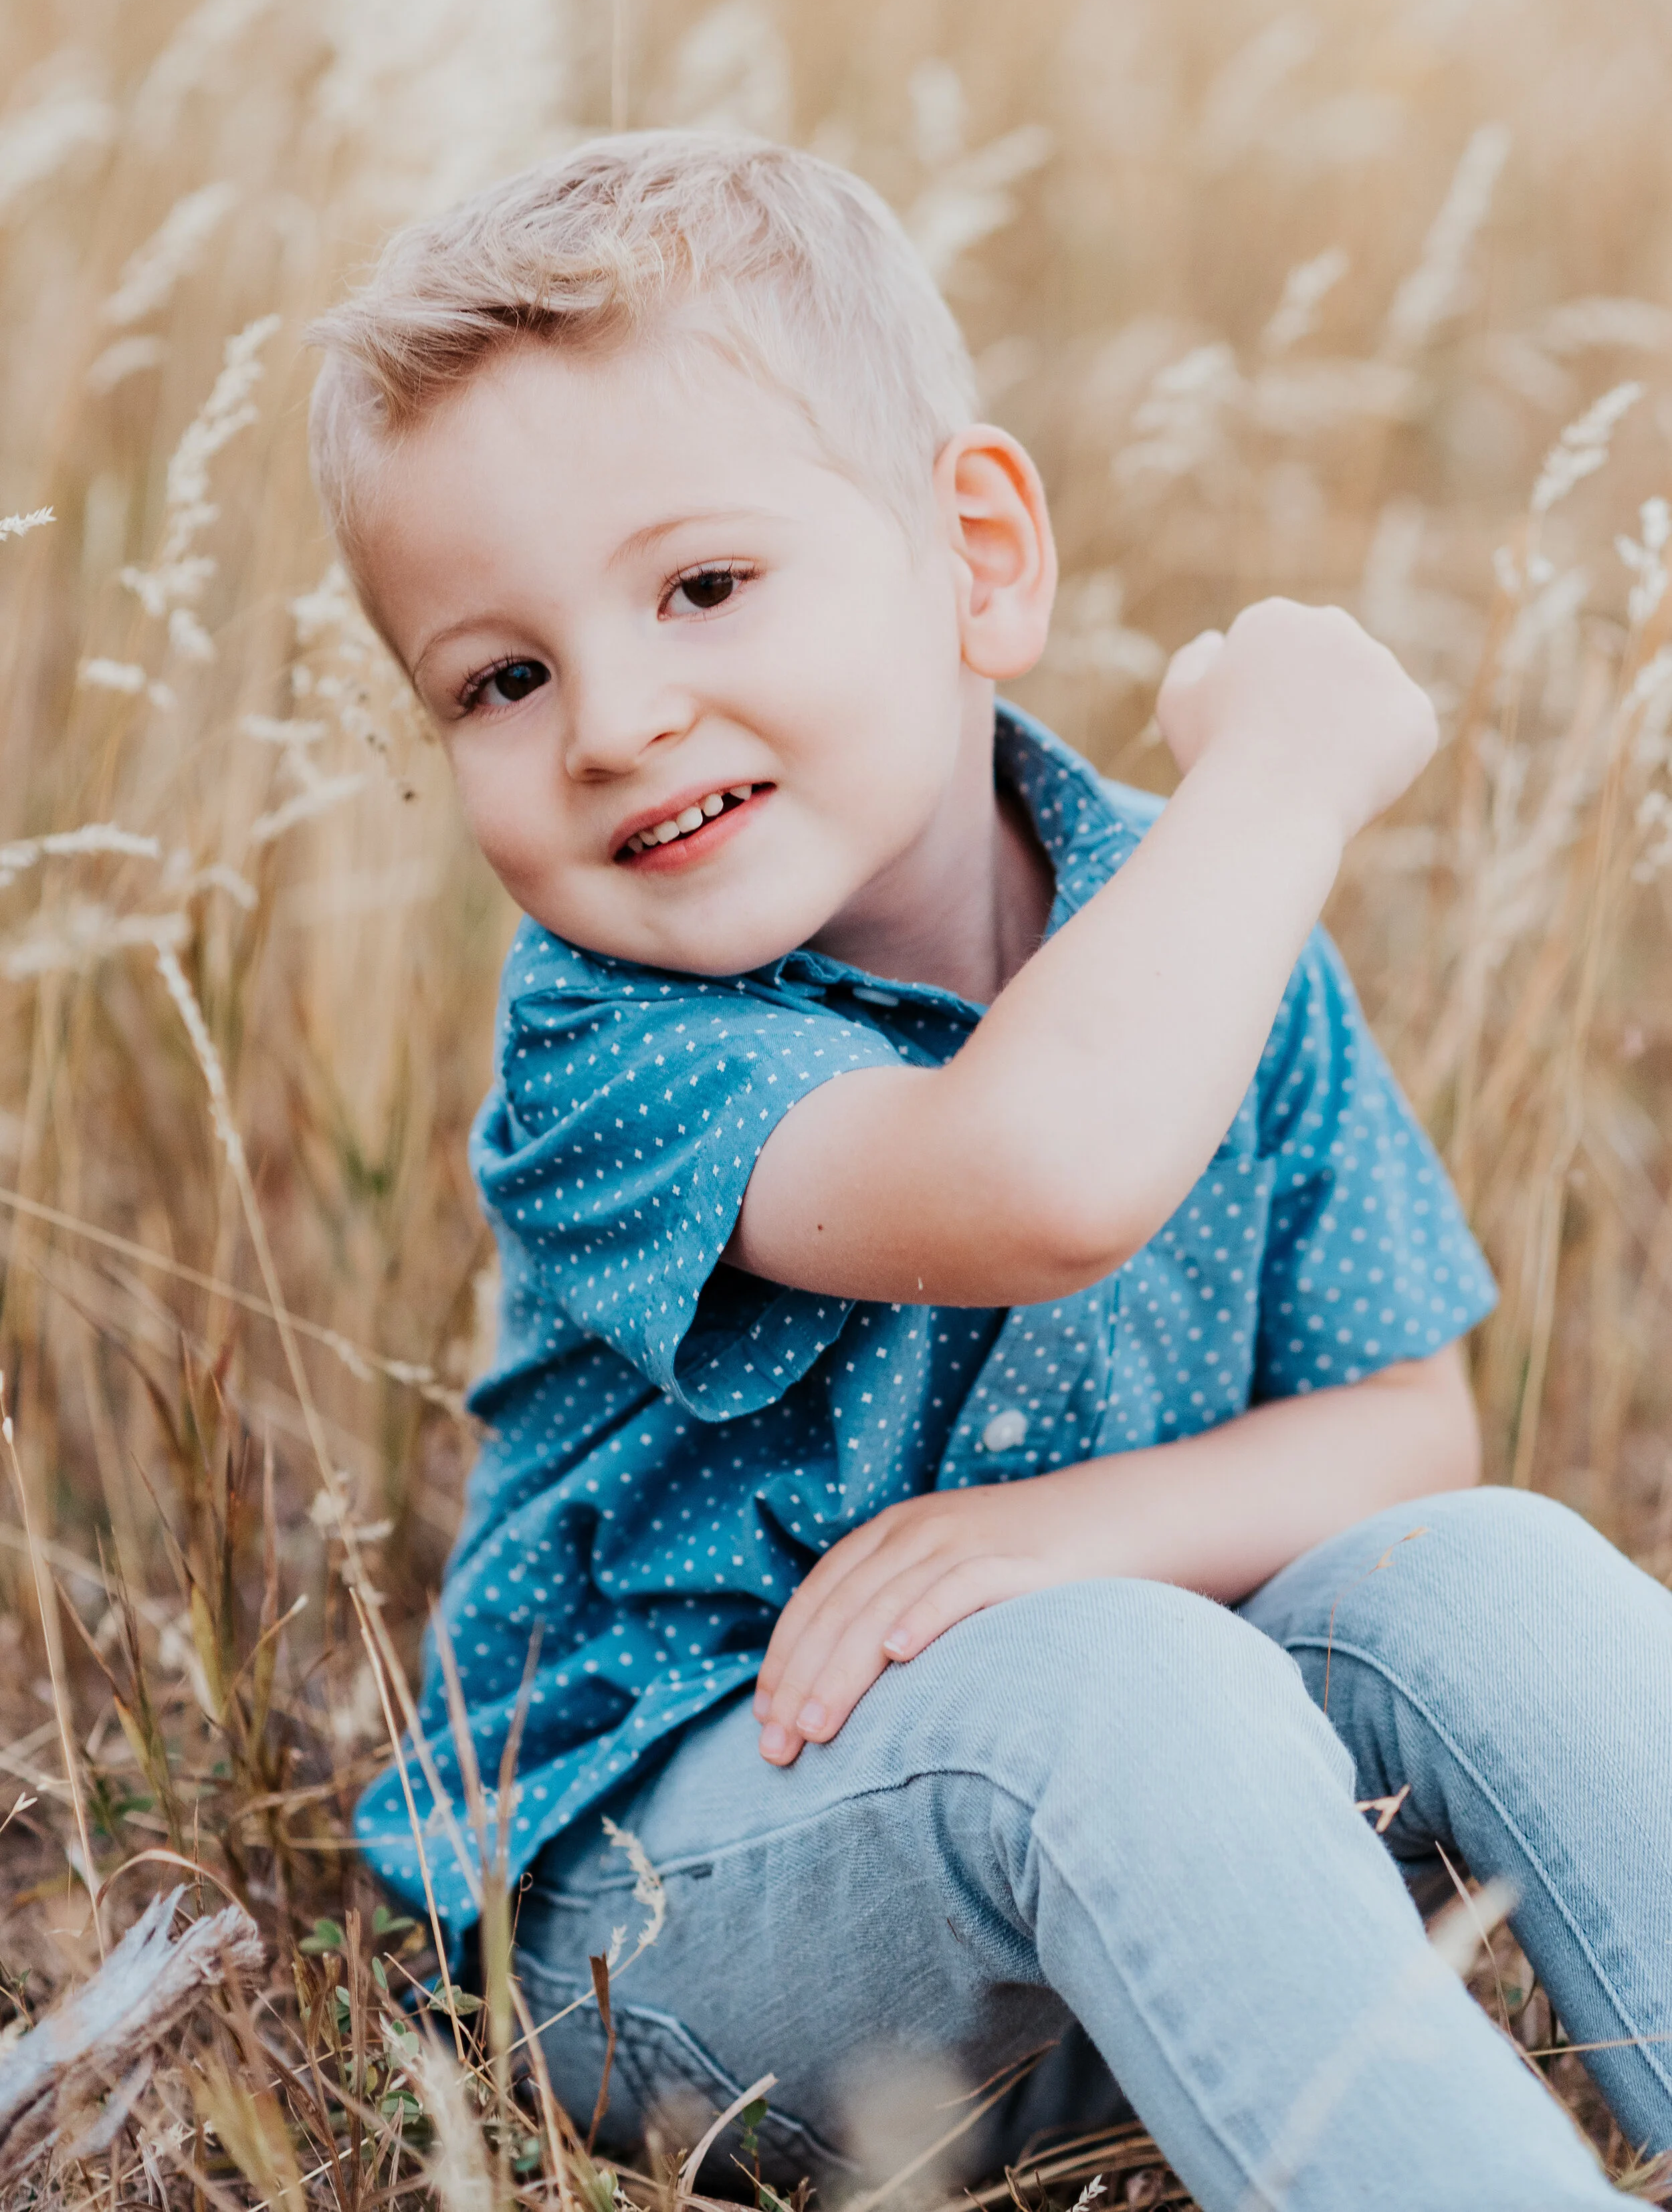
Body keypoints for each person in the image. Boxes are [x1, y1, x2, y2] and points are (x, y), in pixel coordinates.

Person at [306, 131, 1672, 2212]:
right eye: (501, 678)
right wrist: (1286, 772)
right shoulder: (612, 1039)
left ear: (977, 552)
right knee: (1112, 1682)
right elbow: (1037, 1174)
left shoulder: (1183, 923)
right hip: (676, 1931)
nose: (611, 722)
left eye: (700, 586)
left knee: (1492, 1571)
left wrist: (1075, 1531)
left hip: (1177, 1879)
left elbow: (1410, 1416)